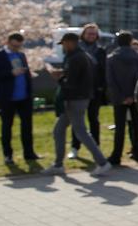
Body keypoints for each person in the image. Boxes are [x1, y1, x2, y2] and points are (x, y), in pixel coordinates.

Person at [42, 33, 112, 176]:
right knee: (60, 130)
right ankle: (58, 164)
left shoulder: (76, 57)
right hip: (78, 98)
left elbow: (72, 82)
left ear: (70, 42)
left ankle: (102, 163)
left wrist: (58, 78)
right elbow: (74, 75)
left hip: (75, 99)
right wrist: (63, 74)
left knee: (80, 132)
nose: (63, 47)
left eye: (64, 44)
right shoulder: (80, 56)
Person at [0, 32, 39, 165]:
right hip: (7, 97)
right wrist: (10, 73)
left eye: (19, 46)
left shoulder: (21, 55)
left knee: (27, 126)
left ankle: (29, 153)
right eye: (14, 46)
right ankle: (8, 155)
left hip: (24, 97)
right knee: (7, 127)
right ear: (8, 42)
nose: (16, 49)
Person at [106, 30, 138, 165]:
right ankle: (136, 152)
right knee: (136, 125)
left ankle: (116, 155)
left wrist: (121, 96)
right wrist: (133, 96)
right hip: (135, 96)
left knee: (120, 127)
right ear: (130, 41)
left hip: (119, 97)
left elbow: (111, 80)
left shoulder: (111, 58)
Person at [69, 23, 107, 160]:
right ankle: (75, 147)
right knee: (78, 120)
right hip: (79, 91)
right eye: (89, 33)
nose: (91, 36)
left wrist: (102, 87)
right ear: (83, 34)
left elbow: (103, 71)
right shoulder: (76, 49)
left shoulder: (100, 51)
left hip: (95, 91)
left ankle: (95, 147)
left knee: (93, 119)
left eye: (93, 33)